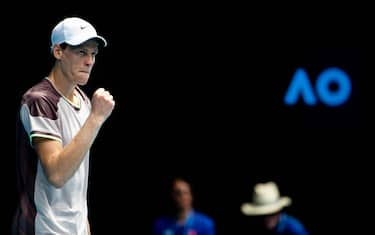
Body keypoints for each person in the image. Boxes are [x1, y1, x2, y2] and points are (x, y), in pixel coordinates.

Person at [13, 17, 115, 235]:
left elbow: (78, 177)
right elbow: (57, 174)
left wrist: (84, 227)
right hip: (42, 228)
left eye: (93, 54)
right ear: (58, 51)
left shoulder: (84, 101)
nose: (90, 61)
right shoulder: (39, 101)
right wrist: (96, 119)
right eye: (81, 52)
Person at [152, 177, 216, 235]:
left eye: (185, 193)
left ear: (191, 196)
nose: (182, 197)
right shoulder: (160, 224)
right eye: (177, 193)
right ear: (172, 196)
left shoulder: (205, 224)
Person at [240, 181, 310, 235]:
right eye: (262, 215)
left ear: (279, 210)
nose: (267, 219)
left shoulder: (294, 229)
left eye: (271, 213)